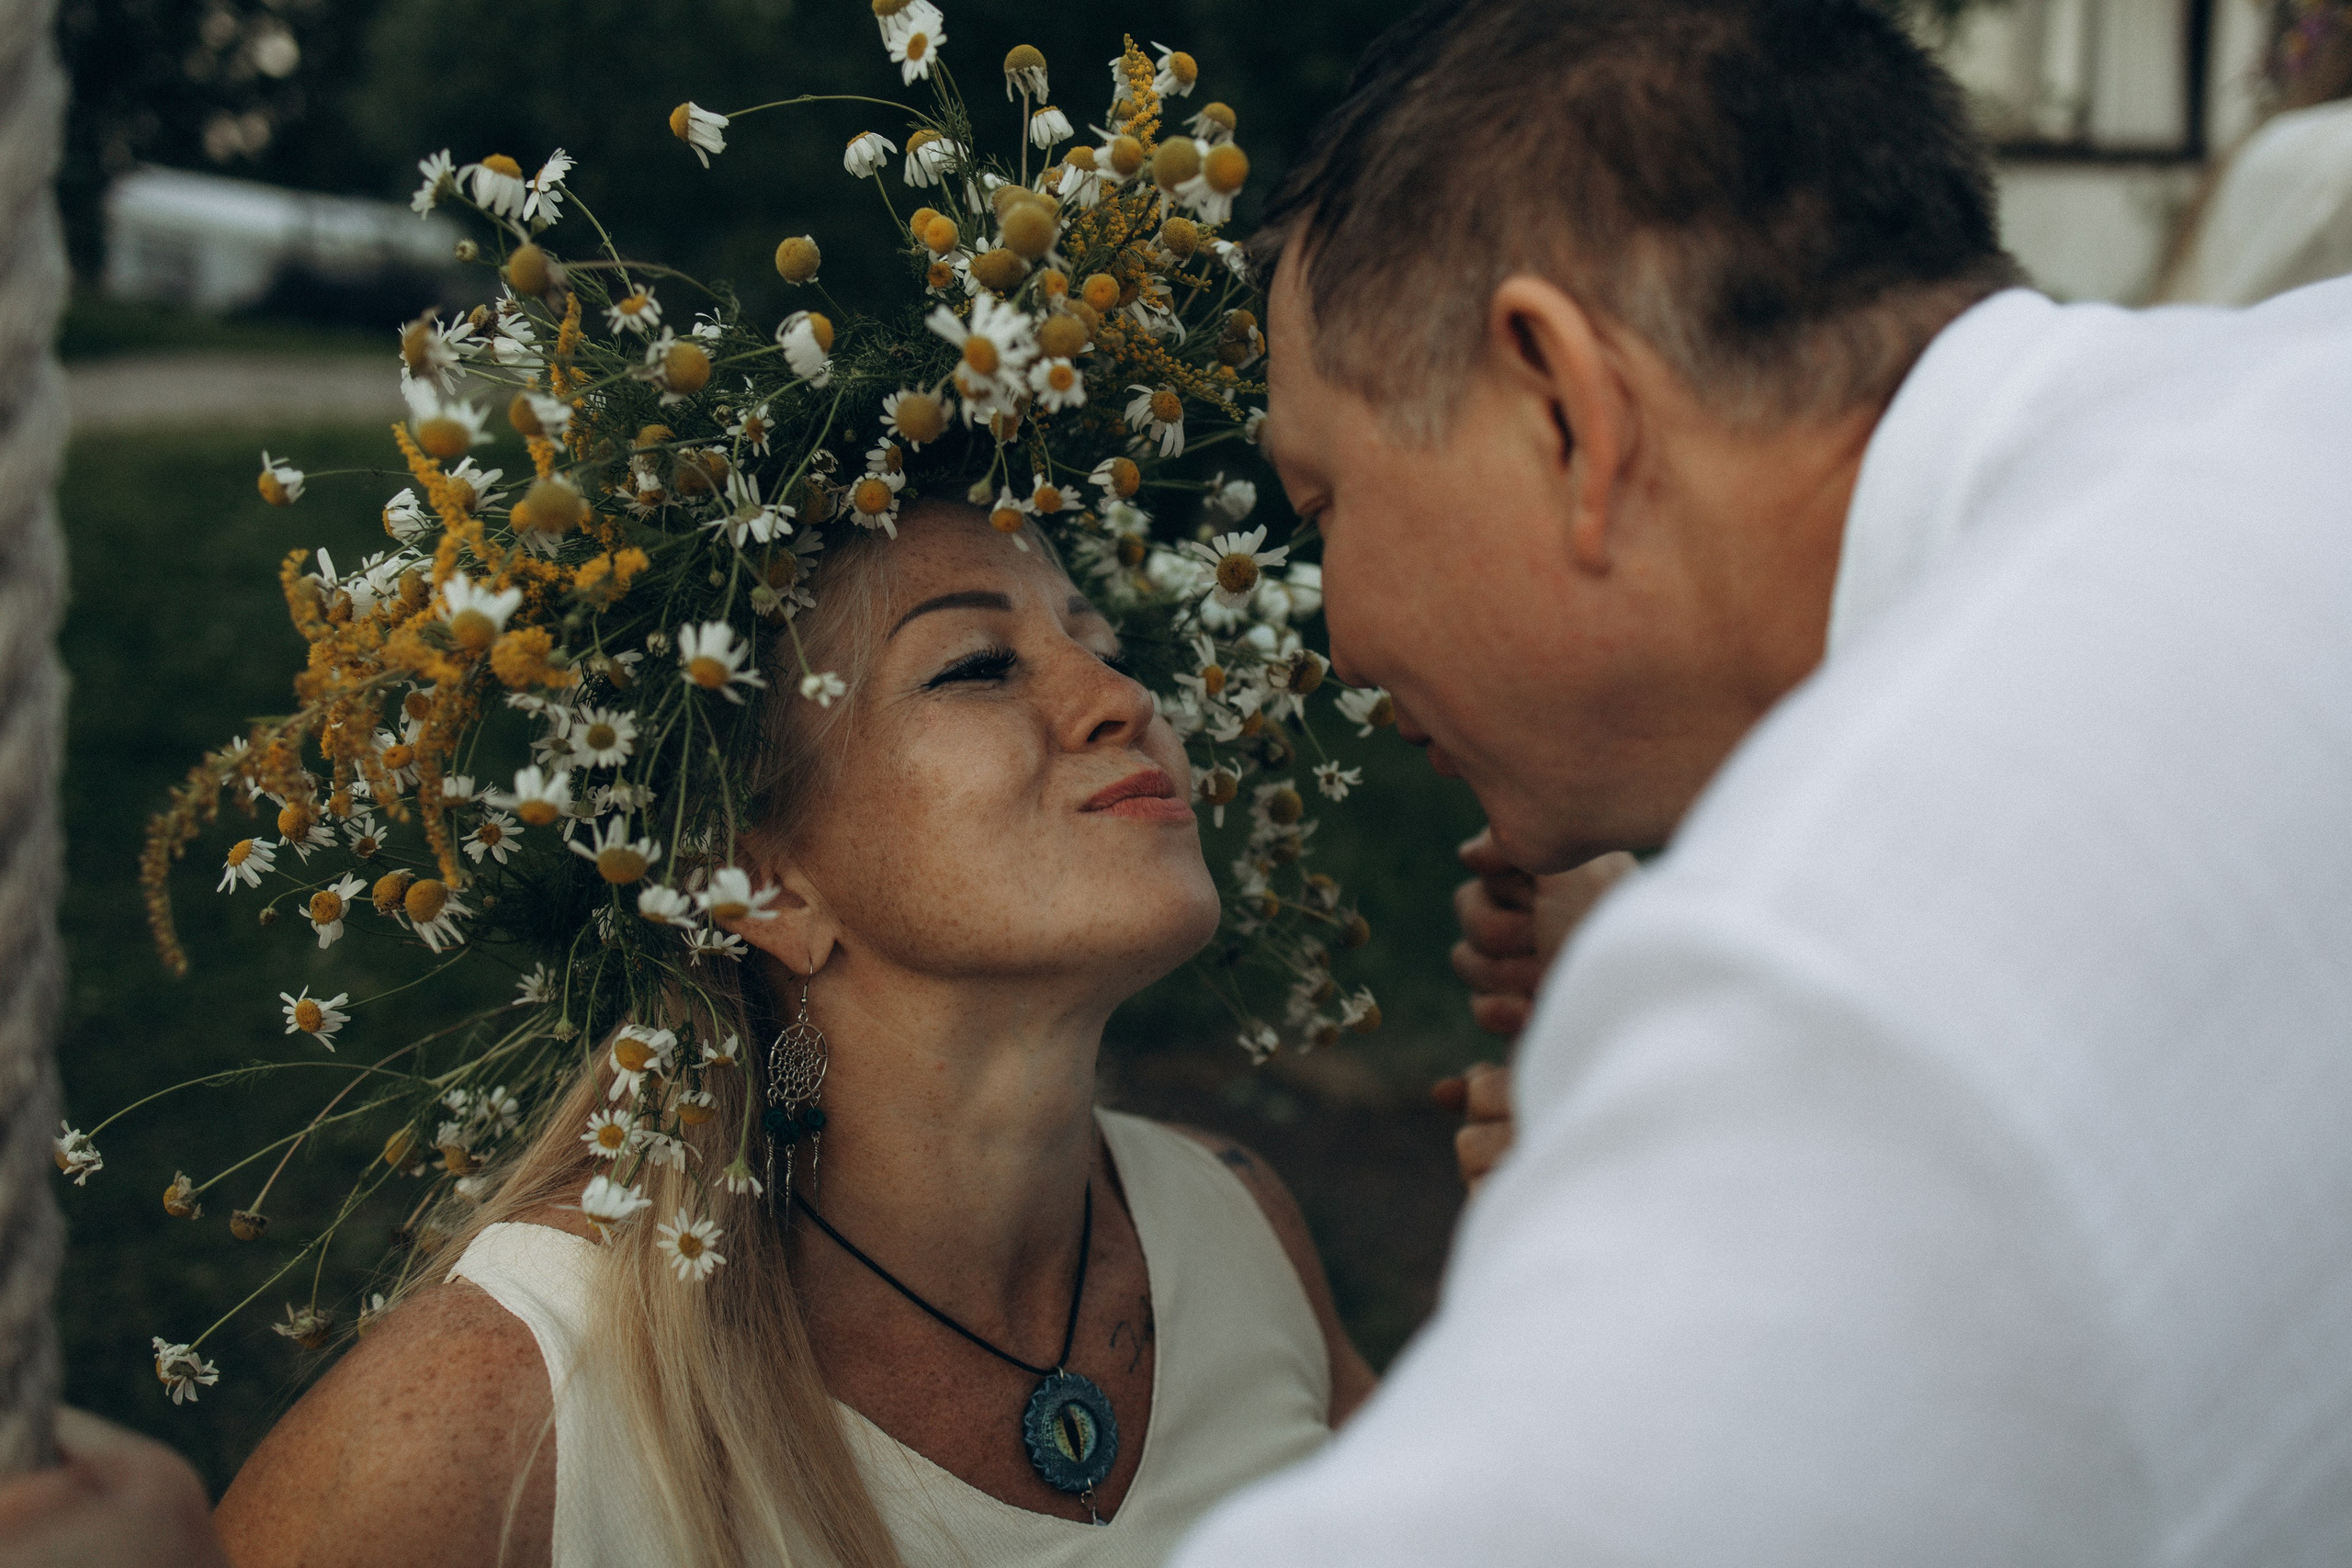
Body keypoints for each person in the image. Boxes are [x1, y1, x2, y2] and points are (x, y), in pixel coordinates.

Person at [1171, 0, 2352, 1562]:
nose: (1339, 633)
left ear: (1566, 413)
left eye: (1324, 505)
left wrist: (1644, 1173)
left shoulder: (1856, 976)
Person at [213, 503, 1374, 1568]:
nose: (1122, 697)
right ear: (762, 885)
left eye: (1105, 644)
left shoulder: (1239, 1226)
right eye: (976, 666)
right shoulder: (495, 1418)